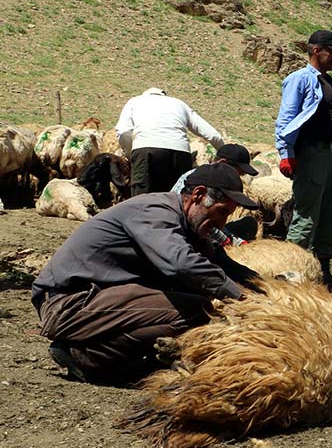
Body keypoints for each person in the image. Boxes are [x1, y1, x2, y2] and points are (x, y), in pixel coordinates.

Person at [31, 163, 261, 385]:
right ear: (199, 195)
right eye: (221, 212)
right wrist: (241, 299)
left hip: (98, 299)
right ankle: (85, 355)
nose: (222, 223)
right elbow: (182, 263)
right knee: (199, 310)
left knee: (192, 299)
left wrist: (266, 290)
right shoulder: (155, 212)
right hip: (68, 303)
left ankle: (113, 354)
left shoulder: (188, 224)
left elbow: (223, 264)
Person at [275, 29, 332, 289]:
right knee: (307, 215)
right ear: (316, 50)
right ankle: (290, 273)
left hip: (330, 156)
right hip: (311, 154)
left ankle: (323, 272)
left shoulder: (328, 82)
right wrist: (286, 154)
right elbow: (286, 118)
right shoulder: (299, 79)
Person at [115, 87, 225, 196]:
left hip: (146, 151)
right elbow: (213, 135)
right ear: (164, 95)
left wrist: (131, 154)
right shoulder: (180, 104)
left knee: (142, 199)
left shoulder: (135, 102)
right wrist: (224, 156)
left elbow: (123, 132)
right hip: (179, 153)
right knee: (176, 199)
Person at [170, 143, 260, 246]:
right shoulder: (197, 178)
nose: (238, 177)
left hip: (207, 227)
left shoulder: (220, 183)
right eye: (238, 173)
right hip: (193, 229)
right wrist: (228, 240)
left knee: (249, 223)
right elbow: (201, 217)